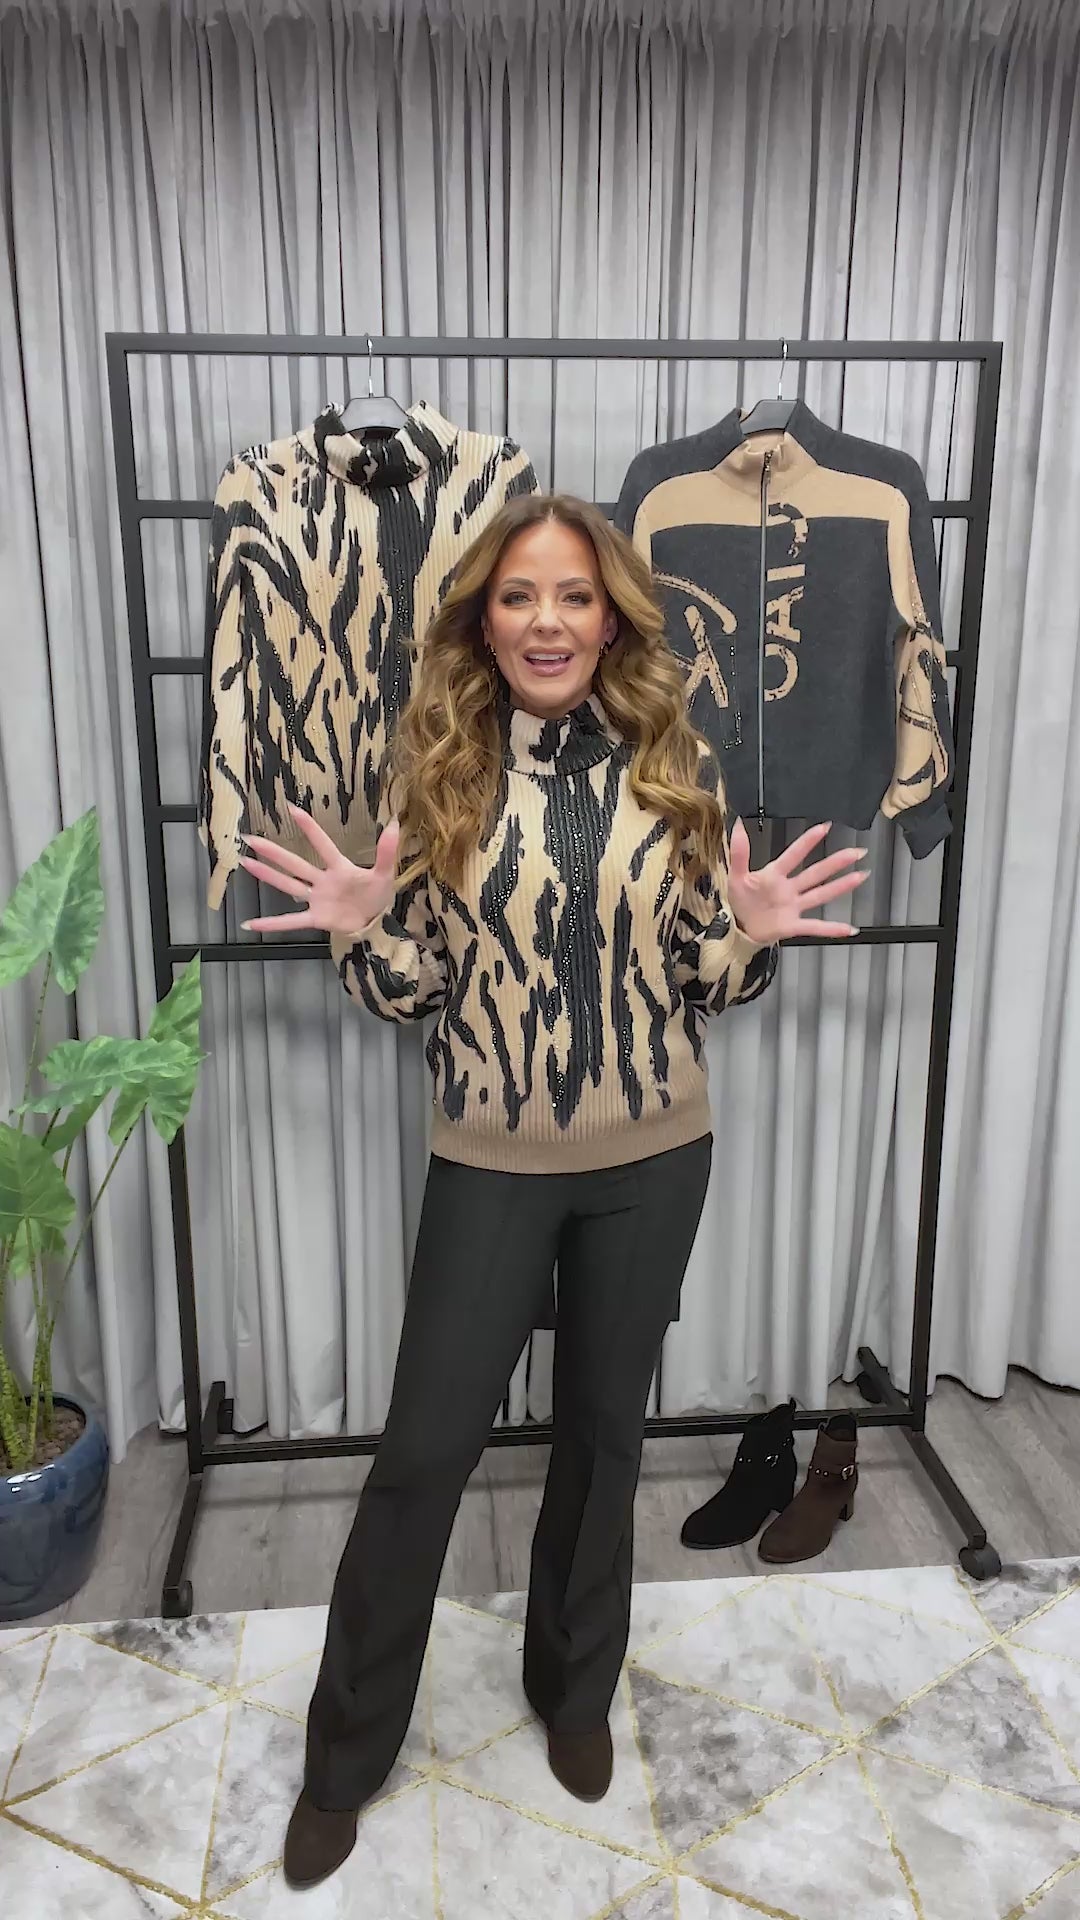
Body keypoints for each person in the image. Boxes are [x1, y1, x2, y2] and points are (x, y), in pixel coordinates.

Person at [237, 493, 868, 1890]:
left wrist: (752, 936)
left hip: (656, 1155)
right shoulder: (442, 774)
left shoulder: (672, 766)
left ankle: (574, 1687)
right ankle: (345, 1757)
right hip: (492, 1161)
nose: (546, 620)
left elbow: (702, 978)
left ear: (610, 618)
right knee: (423, 1458)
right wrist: (360, 937)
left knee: (602, 1438)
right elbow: (418, 991)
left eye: (574, 595)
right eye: (519, 595)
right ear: (484, 620)